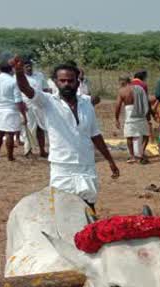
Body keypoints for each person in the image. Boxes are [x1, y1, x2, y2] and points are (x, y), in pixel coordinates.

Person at [11, 57, 120, 211]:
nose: (67, 84)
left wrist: (110, 161)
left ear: (78, 81)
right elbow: (25, 88)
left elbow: (95, 134)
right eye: (62, 81)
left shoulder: (86, 102)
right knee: (62, 208)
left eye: (71, 80)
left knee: (89, 206)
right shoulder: (48, 101)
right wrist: (19, 72)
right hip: (62, 166)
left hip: (86, 164)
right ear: (55, 82)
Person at [0, 61, 26, 162]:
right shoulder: (13, 81)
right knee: (10, 134)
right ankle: (9, 156)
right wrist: (24, 114)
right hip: (11, 109)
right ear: (11, 69)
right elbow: (18, 101)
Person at [115, 75, 151, 164]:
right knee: (145, 135)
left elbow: (118, 106)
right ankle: (141, 153)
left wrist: (116, 119)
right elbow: (146, 102)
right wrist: (148, 116)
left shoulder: (122, 91)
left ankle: (132, 156)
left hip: (130, 115)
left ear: (123, 82)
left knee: (129, 136)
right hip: (140, 114)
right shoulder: (139, 89)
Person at [23, 59, 50, 158]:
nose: (29, 68)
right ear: (22, 68)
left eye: (30, 66)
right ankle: (28, 150)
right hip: (27, 106)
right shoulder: (19, 77)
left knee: (41, 128)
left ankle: (42, 150)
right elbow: (17, 93)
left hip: (40, 105)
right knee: (29, 128)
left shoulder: (39, 75)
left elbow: (46, 89)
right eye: (26, 66)